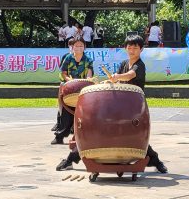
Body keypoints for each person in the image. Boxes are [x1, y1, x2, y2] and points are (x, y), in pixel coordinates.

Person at [56, 35, 168, 173]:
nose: (132, 50)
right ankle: (71, 159)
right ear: (125, 48)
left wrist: (117, 77)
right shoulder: (123, 64)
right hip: (119, 104)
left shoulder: (140, 65)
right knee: (95, 132)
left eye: (135, 48)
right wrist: (110, 81)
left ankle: (156, 161)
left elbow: (130, 75)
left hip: (134, 107)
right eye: (129, 47)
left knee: (134, 137)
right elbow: (117, 81)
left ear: (141, 49)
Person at [51, 37, 93, 144]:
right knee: (66, 114)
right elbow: (63, 73)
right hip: (69, 89)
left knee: (84, 114)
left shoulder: (88, 60)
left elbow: (89, 75)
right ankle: (59, 136)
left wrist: (84, 82)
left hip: (82, 89)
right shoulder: (68, 58)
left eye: (81, 45)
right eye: (76, 45)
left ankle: (84, 138)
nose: (79, 48)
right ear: (72, 47)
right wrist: (71, 82)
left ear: (85, 47)